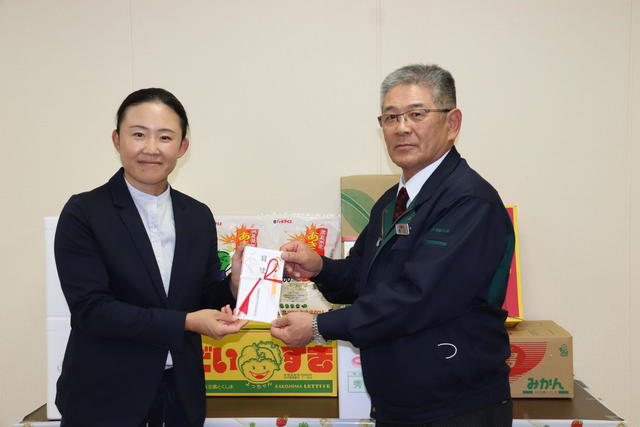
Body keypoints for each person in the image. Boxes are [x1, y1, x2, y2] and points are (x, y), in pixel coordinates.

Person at [271, 64, 514, 426]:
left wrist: (320, 327)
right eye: (390, 117)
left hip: (455, 406)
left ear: (452, 123)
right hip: (399, 403)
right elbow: (360, 277)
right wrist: (318, 267)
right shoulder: (392, 200)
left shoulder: (469, 202)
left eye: (417, 114)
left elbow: (417, 298)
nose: (402, 127)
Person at [54, 88, 248, 427]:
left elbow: (201, 298)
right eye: (138, 135)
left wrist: (233, 283)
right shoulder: (85, 212)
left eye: (165, 137)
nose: (151, 149)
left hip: (180, 396)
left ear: (183, 147)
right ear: (117, 140)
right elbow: (92, 310)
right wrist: (185, 322)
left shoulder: (196, 215)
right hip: (104, 396)